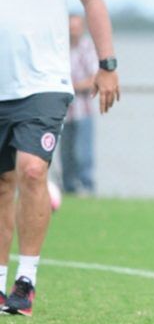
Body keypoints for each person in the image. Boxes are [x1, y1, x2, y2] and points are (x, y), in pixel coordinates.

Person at [0, 0, 120, 316]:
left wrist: (107, 64)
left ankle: (26, 279)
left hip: (46, 83)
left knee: (32, 171)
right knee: (2, 183)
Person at [60, 14, 98, 195]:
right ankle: (68, 189)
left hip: (83, 111)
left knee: (83, 154)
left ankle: (86, 189)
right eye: (69, 27)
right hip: (61, 112)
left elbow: (94, 79)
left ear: (81, 28)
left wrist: (70, 87)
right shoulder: (59, 48)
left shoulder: (87, 48)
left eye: (75, 27)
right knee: (65, 155)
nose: (72, 31)